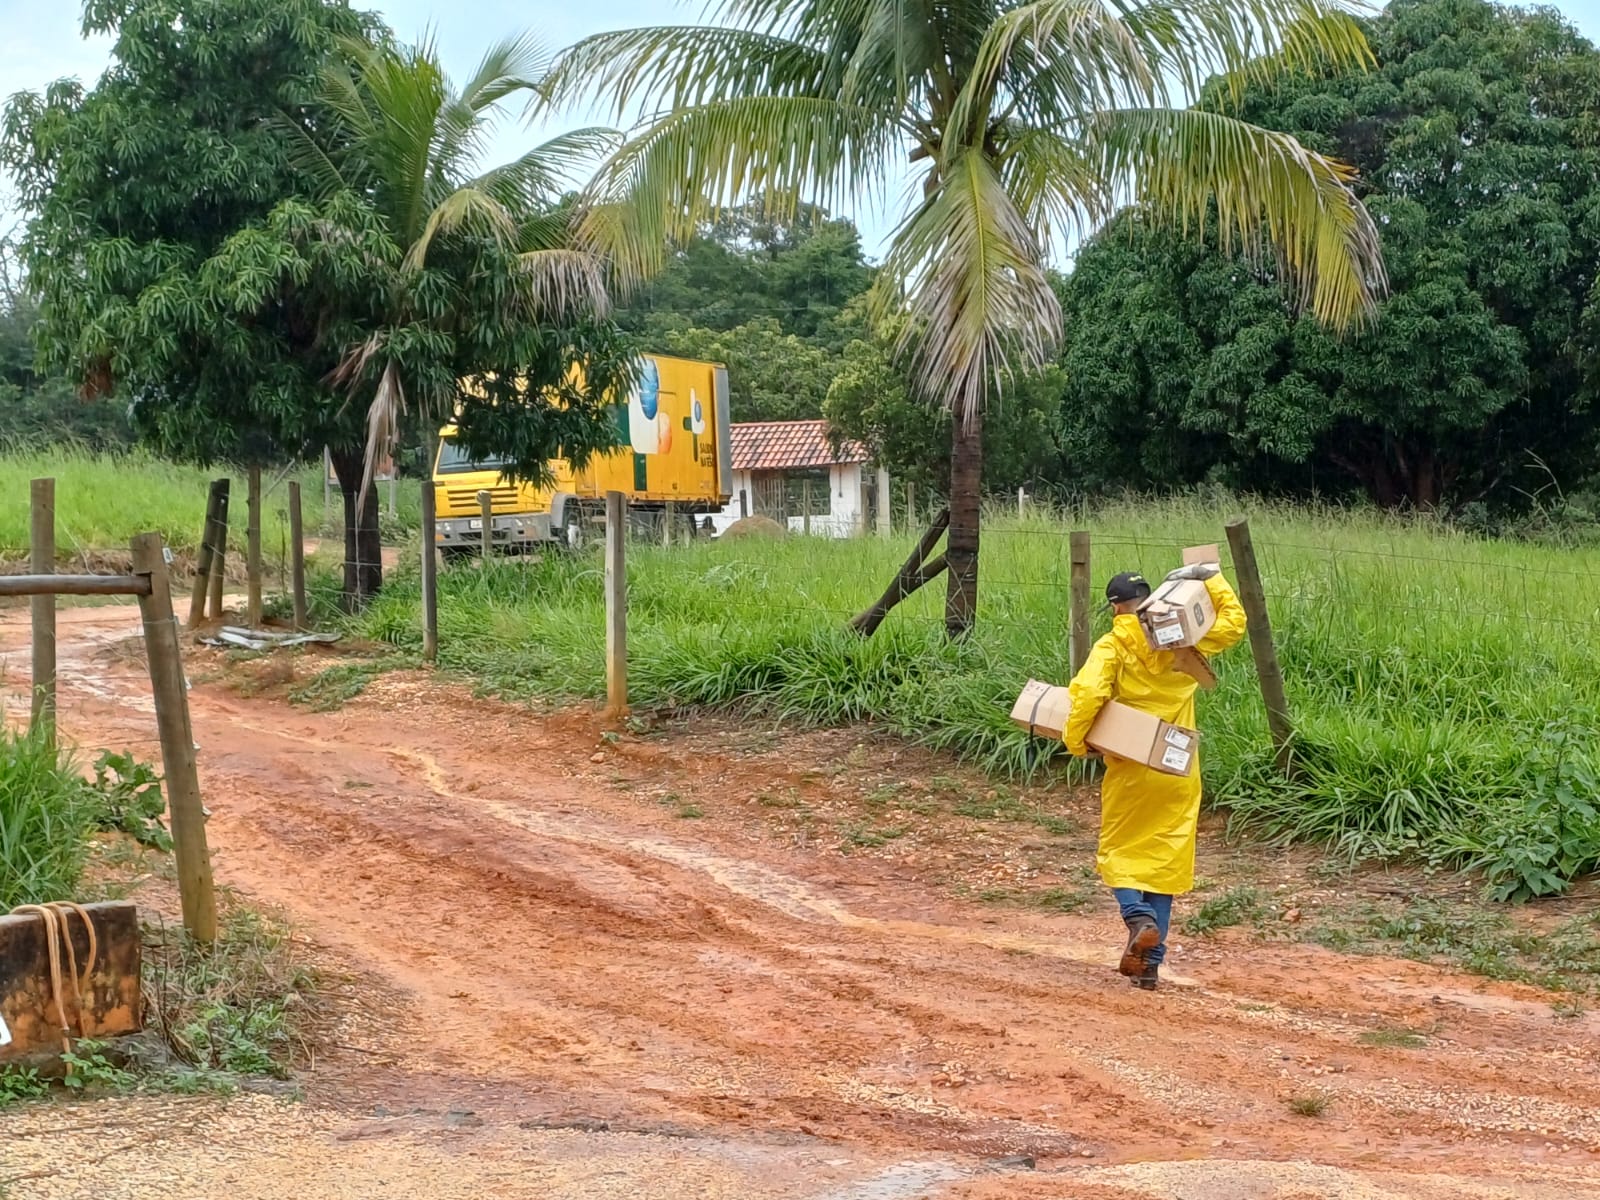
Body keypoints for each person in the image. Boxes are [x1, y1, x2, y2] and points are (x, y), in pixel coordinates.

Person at [1062, 564, 1247, 991]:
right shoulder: (1182, 638)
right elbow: (1234, 623)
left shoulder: (1113, 645)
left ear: (1115, 608)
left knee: (1119, 852)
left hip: (1132, 768)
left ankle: (1136, 917)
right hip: (1178, 767)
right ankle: (1149, 968)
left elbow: (1088, 694)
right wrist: (1210, 577)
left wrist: (1077, 743)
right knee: (1164, 863)